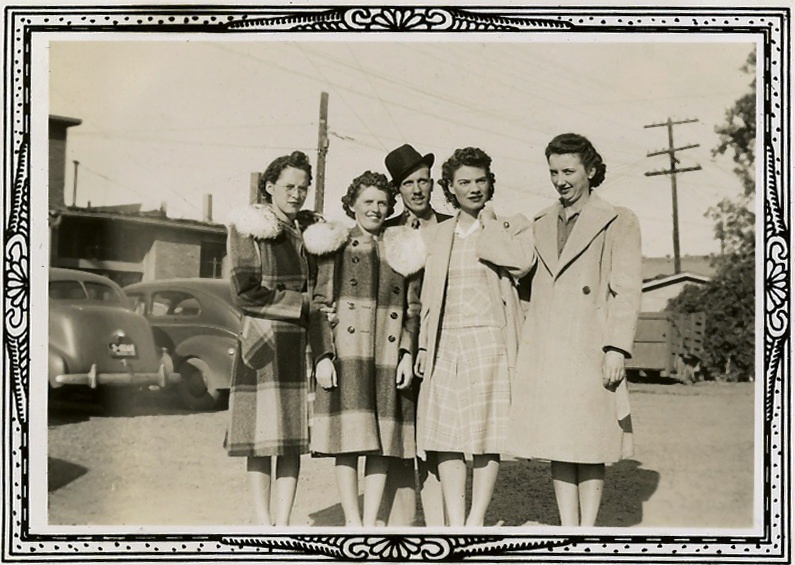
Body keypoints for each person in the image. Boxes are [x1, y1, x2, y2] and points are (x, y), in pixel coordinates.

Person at [509, 133, 642, 527]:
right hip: (550, 346)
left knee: (590, 439)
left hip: (592, 345)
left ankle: (587, 529)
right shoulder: (539, 221)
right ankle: (570, 529)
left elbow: (627, 289)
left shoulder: (619, 219)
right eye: (553, 172)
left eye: (568, 171)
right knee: (558, 440)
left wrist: (616, 347)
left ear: (592, 171)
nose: (560, 180)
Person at [415, 147, 535, 527]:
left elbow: (521, 263)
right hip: (445, 341)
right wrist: (421, 346)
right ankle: (454, 518)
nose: (473, 188)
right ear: (449, 188)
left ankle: (475, 520)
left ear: (490, 183)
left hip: (489, 340)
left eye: (480, 180)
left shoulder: (509, 226)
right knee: (445, 436)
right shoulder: (437, 234)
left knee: (486, 435)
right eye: (463, 182)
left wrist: (488, 223)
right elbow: (426, 297)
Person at [303, 170, 425, 527]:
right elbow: (319, 303)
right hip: (348, 353)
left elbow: (413, 309)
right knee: (348, 440)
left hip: (386, 357)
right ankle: (353, 522)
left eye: (382, 203)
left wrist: (406, 352)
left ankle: (371, 520)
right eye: (368, 201)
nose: (375, 209)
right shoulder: (334, 245)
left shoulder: (403, 244)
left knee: (381, 442)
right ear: (352, 204)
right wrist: (323, 356)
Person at [224, 150, 315, 527]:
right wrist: (300, 304)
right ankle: (264, 524)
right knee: (260, 443)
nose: (296, 195)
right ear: (269, 187)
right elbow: (244, 292)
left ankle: (283, 522)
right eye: (289, 186)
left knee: (291, 441)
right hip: (262, 343)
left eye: (303, 188)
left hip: (298, 346)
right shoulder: (249, 228)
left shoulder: (309, 231)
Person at [380, 143, 451, 528]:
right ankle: (402, 526)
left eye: (424, 180)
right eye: (409, 183)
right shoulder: (387, 230)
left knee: (437, 435)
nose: (418, 189)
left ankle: (440, 524)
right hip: (397, 345)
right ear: (398, 190)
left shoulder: (448, 226)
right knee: (400, 434)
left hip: (442, 342)